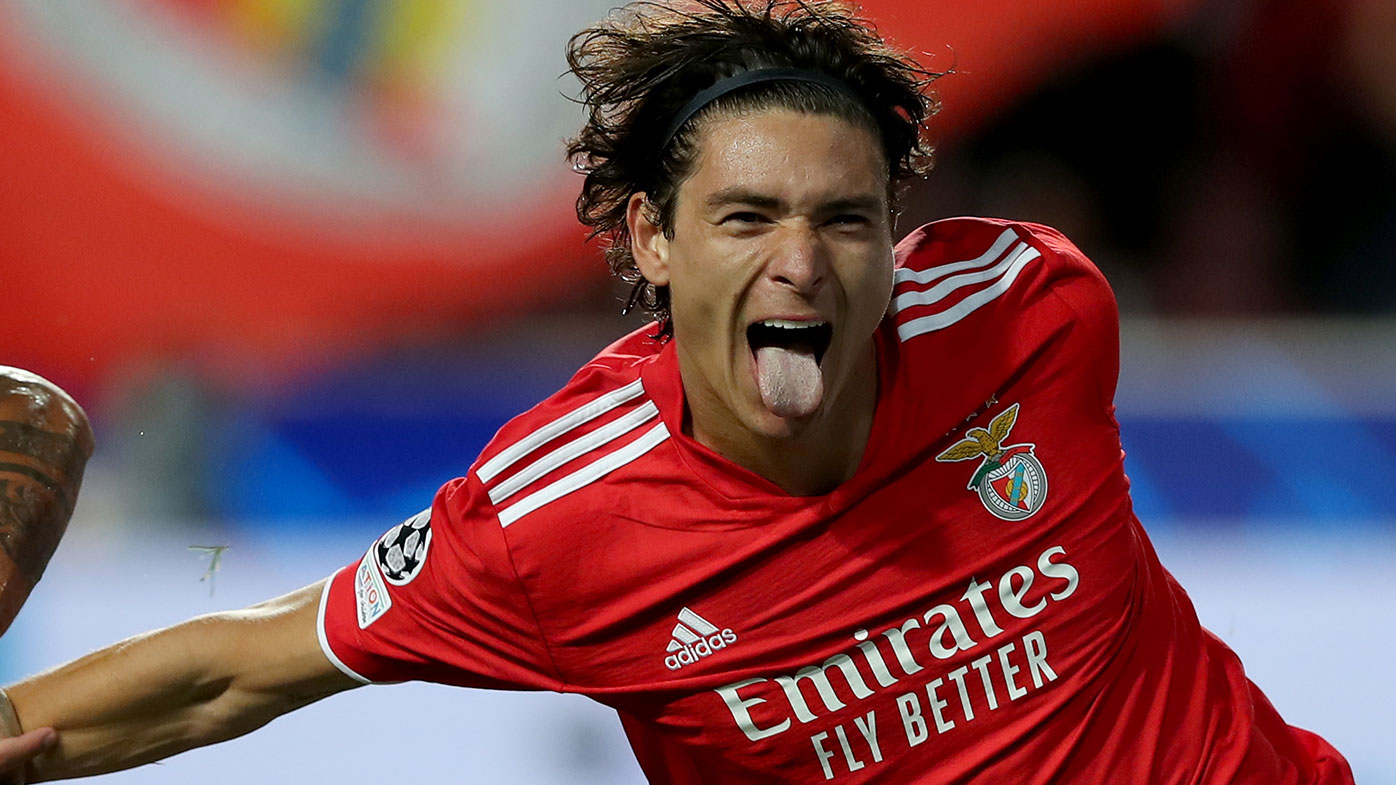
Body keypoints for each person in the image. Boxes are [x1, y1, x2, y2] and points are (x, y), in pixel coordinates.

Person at [0, 1, 1355, 783]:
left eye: (845, 219)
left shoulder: (1032, 310)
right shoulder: (556, 514)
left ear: (899, 234)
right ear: (650, 238)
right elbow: (236, 669)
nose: (801, 264)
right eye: (747, 216)